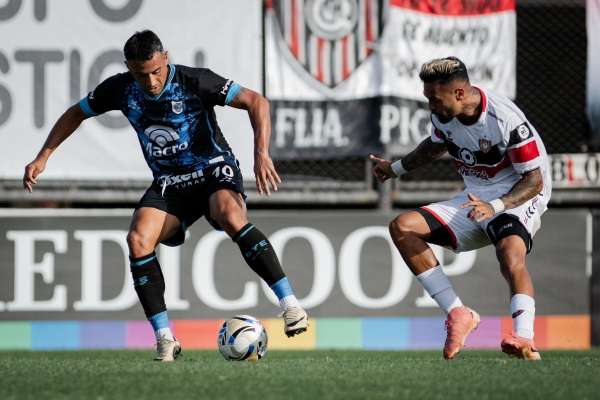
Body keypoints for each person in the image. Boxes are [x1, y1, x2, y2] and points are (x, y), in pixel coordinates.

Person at [23, 30, 308, 362]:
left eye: (156, 71)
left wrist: (261, 154)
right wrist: (44, 155)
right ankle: (165, 339)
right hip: (170, 183)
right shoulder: (121, 88)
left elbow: (256, 101)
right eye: (140, 74)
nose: (150, 81)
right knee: (138, 240)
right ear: (128, 68)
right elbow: (77, 112)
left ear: (165, 58)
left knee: (230, 215)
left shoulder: (195, 81)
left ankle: (291, 306)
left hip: (212, 169)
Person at [370, 57, 551, 361]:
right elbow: (436, 145)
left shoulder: (504, 119)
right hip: (475, 196)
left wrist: (495, 206)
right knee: (402, 227)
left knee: (510, 255)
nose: (430, 106)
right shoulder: (444, 115)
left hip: (519, 194)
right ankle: (458, 313)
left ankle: (524, 337)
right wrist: (395, 168)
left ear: (459, 93)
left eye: (434, 99)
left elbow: (534, 180)